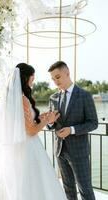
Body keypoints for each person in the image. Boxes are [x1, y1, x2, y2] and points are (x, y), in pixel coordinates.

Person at [0, 63, 67, 200]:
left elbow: (22, 124)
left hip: (14, 149)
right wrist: (47, 120)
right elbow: (31, 131)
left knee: (17, 183)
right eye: (32, 77)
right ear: (26, 78)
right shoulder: (23, 99)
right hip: (28, 148)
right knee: (34, 183)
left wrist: (41, 117)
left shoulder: (9, 99)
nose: (33, 80)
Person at [48, 61, 98, 200]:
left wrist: (72, 130)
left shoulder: (84, 96)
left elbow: (93, 123)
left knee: (85, 189)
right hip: (60, 150)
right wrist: (50, 122)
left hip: (79, 152)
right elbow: (51, 125)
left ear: (67, 73)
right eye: (53, 79)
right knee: (68, 189)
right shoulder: (53, 98)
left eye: (57, 77)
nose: (55, 81)